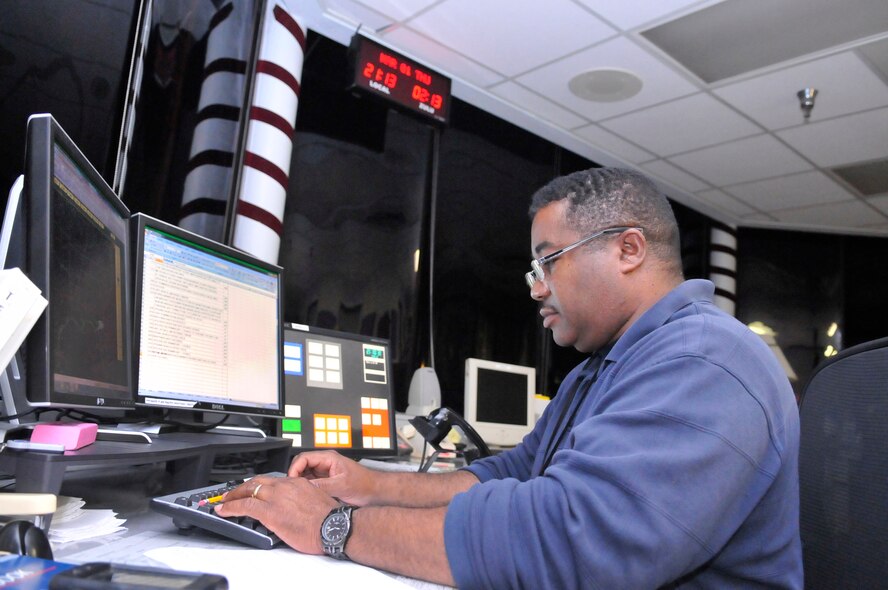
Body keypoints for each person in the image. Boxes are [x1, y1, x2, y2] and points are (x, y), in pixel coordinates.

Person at [217, 167, 803, 588]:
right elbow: (511, 475)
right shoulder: (600, 370)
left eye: (547, 262)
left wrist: (333, 525)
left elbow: (567, 541)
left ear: (628, 249)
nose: (536, 287)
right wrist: (369, 484)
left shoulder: (705, 363)